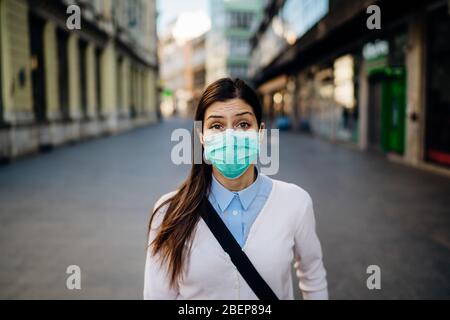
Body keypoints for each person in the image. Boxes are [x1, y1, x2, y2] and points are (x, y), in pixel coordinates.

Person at [144, 78, 328, 300]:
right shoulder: (169, 212)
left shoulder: (295, 202)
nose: (230, 136)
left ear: (260, 133)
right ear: (202, 136)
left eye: (243, 124)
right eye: (216, 126)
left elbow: (313, 275)